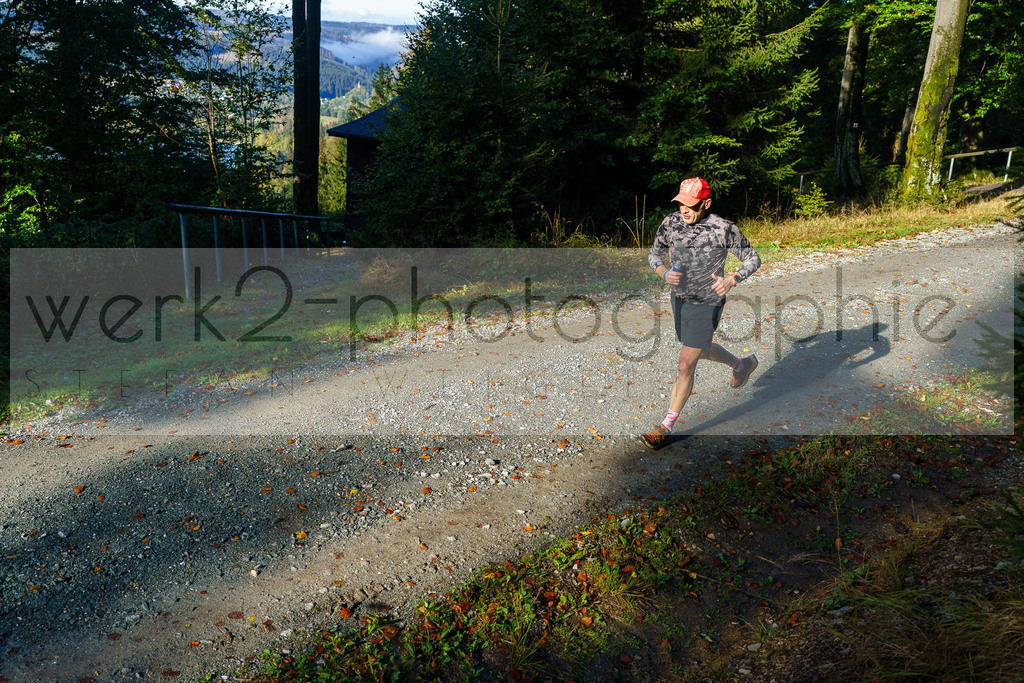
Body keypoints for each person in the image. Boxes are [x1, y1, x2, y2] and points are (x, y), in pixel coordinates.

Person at [641, 177, 761, 449]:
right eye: (681, 202)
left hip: (708, 302)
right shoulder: (670, 223)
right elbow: (654, 256)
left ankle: (665, 426)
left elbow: (753, 259)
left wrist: (732, 279)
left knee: (685, 364)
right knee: (700, 348)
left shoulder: (724, 228)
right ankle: (741, 364)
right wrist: (663, 273)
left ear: (705, 203)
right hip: (680, 299)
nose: (684, 209)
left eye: (691, 204)